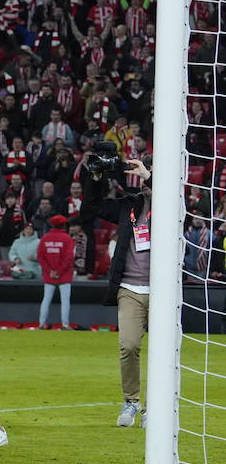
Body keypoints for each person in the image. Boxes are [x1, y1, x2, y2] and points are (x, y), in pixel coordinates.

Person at [80, 151, 153, 427]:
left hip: (164, 291)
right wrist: (96, 177)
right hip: (130, 287)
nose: (143, 176)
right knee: (129, 346)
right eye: (142, 170)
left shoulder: (174, 205)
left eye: (149, 171)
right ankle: (131, 402)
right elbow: (90, 210)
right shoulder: (128, 205)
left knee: (162, 350)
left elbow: (174, 203)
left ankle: (154, 406)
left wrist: (150, 177)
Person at [38, 215, 75, 329]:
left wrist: (50, 271)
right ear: (64, 225)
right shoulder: (67, 238)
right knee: (65, 301)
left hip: (49, 275)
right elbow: (69, 258)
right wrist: (59, 271)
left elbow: (40, 257)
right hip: (64, 274)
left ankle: (42, 323)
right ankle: (65, 324)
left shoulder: (45, 238)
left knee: (46, 299)